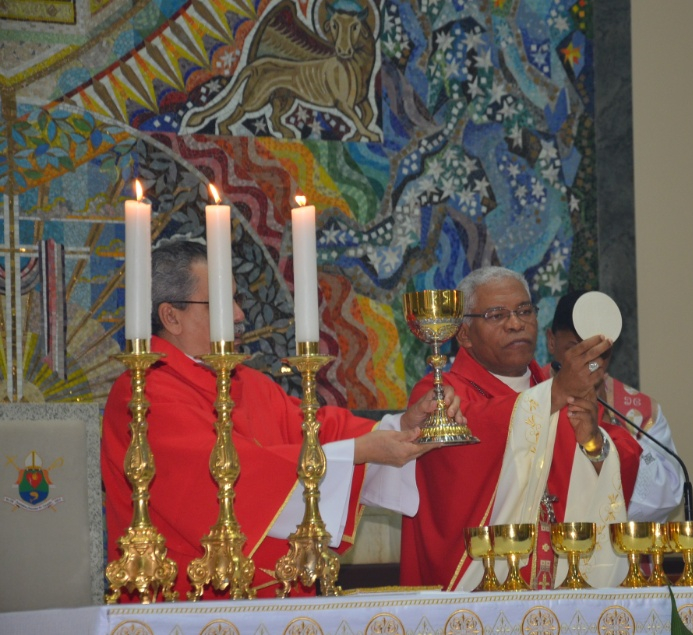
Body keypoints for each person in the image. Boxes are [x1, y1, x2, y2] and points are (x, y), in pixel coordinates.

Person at [102, 239, 464, 600]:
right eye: (222, 302)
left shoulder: (247, 384)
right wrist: (359, 451)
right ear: (171, 317)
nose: (240, 315)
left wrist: (403, 426)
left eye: (237, 299)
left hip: (280, 599)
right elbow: (225, 477)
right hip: (191, 603)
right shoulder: (142, 395)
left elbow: (317, 430)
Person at [399, 266, 642, 591]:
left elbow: (623, 455)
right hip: (479, 598)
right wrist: (554, 395)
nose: (516, 323)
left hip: (564, 590)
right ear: (464, 334)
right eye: (496, 315)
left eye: (524, 311)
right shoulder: (440, 393)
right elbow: (467, 450)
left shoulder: (552, 387)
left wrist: (594, 444)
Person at [546, 290, 683, 522]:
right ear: (551, 341)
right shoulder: (529, 397)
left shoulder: (638, 411)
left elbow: (669, 495)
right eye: (574, 349)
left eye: (599, 351)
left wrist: (606, 441)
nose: (587, 362)